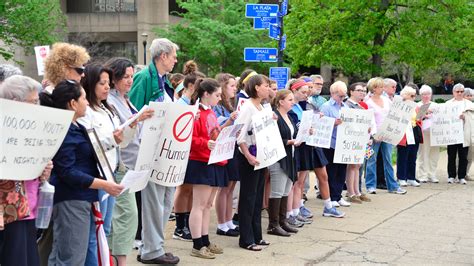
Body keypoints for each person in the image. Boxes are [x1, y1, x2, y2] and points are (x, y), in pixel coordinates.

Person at [42, 80, 123, 265]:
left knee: (67, 254)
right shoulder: (65, 131)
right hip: (72, 199)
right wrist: (103, 184)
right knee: (71, 257)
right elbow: (67, 172)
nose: (87, 102)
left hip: (81, 197)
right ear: (72, 103)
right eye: (84, 98)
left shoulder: (75, 126)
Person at [128, 38, 180, 264]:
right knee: (154, 202)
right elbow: (133, 113)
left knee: (165, 201)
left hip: (164, 150)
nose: (176, 60)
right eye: (174, 55)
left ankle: (155, 246)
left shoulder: (162, 80)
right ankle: (151, 250)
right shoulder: (144, 77)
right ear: (163, 56)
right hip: (150, 150)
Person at [38, 41, 91, 266]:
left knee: (61, 245)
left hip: (60, 183)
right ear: (64, 68)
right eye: (80, 69)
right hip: (57, 184)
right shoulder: (49, 100)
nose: (83, 74)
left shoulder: (68, 98)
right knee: (61, 246)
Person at [79, 63, 131, 265]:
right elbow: (91, 144)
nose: (107, 87)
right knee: (96, 230)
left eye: (108, 83)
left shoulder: (106, 107)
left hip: (112, 172)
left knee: (106, 229)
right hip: (98, 176)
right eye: (102, 83)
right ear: (90, 84)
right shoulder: (87, 112)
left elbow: (119, 139)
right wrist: (113, 140)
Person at [105, 57, 154, 266]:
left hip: (132, 163)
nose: (130, 81)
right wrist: (138, 119)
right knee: (126, 216)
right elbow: (118, 133)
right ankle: (117, 260)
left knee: (123, 217)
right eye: (125, 77)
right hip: (120, 164)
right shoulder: (111, 101)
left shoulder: (126, 99)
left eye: (132, 76)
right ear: (114, 78)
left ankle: (116, 259)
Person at [0, 75, 53, 266]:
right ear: (15, 103)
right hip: (8, 210)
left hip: (25, 208)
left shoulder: (28, 130)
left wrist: (42, 170)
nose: (36, 106)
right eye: (33, 102)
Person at [184, 78, 226, 259]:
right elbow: (187, 138)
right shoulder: (195, 113)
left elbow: (213, 132)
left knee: (207, 206)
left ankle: (205, 240)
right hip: (200, 161)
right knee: (199, 205)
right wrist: (204, 142)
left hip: (213, 160)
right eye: (217, 95)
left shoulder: (211, 112)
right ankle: (197, 244)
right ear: (206, 94)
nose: (220, 98)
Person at [234, 74, 271, 251]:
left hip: (262, 156)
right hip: (250, 156)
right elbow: (240, 135)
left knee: (257, 198)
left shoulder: (262, 107)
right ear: (256, 87)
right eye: (266, 85)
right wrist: (248, 155)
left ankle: (257, 235)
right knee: (248, 198)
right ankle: (246, 238)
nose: (268, 88)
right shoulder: (248, 107)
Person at [173, 68, 206, 242]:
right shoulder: (181, 104)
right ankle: (179, 226)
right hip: (182, 151)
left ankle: (185, 222)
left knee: (190, 189)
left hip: (190, 152)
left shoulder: (193, 104)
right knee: (184, 188)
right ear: (191, 86)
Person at [365, 77, 407, 195]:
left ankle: (393, 186)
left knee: (388, 159)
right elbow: (369, 120)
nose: (383, 89)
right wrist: (373, 134)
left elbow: (393, 115)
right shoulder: (368, 102)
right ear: (374, 88)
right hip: (374, 136)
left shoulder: (386, 100)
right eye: (381, 87)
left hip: (387, 134)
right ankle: (370, 185)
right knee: (371, 159)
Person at [268, 90, 299, 236]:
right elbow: (271, 139)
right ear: (280, 101)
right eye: (290, 99)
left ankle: (282, 221)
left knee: (286, 190)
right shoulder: (275, 116)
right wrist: (289, 141)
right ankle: (273, 224)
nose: (293, 102)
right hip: (279, 158)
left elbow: (294, 133)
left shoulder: (288, 116)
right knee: (277, 191)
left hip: (289, 156)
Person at [213, 73, 240, 237]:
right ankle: (222, 223)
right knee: (224, 189)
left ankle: (228, 220)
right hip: (223, 149)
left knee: (230, 187)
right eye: (231, 86)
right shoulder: (217, 106)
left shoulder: (230, 104)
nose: (235, 89)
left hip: (232, 147)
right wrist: (231, 121)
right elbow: (217, 128)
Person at [286, 80, 313, 227]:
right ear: (293, 90)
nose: (306, 94)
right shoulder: (290, 107)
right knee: (294, 182)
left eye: (307, 91)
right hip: (295, 146)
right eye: (302, 91)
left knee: (301, 182)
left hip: (304, 144)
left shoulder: (302, 106)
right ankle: (290, 212)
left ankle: (296, 210)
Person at [320, 81, 351, 207]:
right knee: (331, 171)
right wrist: (334, 123)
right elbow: (321, 124)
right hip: (331, 144)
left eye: (344, 96)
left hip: (343, 144)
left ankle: (338, 196)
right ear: (333, 94)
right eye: (340, 96)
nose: (342, 99)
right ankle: (331, 196)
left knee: (341, 171)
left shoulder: (345, 107)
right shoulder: (326, 107)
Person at [344, 82, 371, 203]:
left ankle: (357, 191)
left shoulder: (361, 106)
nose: (362, 93)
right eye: (359, 90)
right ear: (351, 91)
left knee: (358, 165)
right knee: (352, 165)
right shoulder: (347, 105)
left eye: (364, 91)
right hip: (351, 139)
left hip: (360, 139)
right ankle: (351, 192)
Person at [446, 84, 473, 184]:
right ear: (453, 92)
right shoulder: (448, 103)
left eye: (462, 91)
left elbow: (472, 118)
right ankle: (451, 176)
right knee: (451, 156)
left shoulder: (469, 104)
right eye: (457, 91)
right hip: (451, 134)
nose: (460, 93)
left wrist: (465, 117)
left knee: (463, 156)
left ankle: (462, 176)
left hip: (463, 133)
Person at [396, 86, 423, 187]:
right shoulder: (399, 105)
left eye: (415, 96)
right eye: (412, 96)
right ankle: (401, 177)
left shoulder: (416, 106)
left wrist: (421, 116)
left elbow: (418, 119)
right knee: (403, 156)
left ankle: (411, 177)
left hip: (414, 131)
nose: (414, 98)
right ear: (405, 95)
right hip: (404, 133)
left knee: (413, 155)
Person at [416, 85, 440, 183]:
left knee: (434, 154)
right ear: (421, 95)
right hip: (423, 132)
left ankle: (432, 174)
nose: (426, 96)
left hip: (435, 132)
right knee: (423, 153)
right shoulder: (417, 105)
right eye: (424, 94)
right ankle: (422, 175)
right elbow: (416, 119)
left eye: (428, 94)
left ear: (431, 95)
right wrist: (425, 114)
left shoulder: (436, 105)